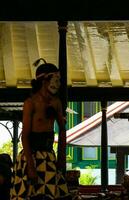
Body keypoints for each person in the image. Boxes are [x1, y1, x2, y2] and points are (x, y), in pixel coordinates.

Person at [10, 58, 70, 199]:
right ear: (44, 81)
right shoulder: (31, 103)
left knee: (51, 195)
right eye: (55, 80)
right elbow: (24, 136)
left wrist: (61, 157)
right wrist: (31, 167)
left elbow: (62, 130)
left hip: (48, 156)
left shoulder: (56, 103)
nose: (58, 84)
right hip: (30, 157)